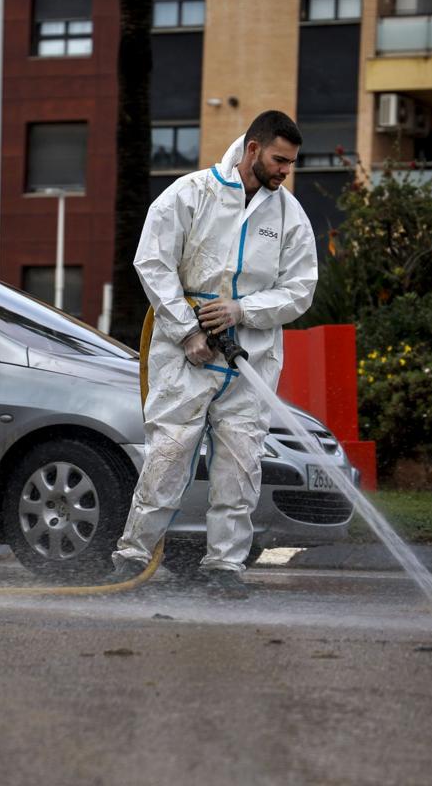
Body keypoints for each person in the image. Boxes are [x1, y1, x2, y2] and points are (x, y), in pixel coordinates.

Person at [111, 110, 318, 599]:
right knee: (168, 456)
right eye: (279, 159)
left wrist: (242, 310)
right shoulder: (191, 194)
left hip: (251, 360)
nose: (285, 170)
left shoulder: (289, 216)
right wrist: (187, 332)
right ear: (252, 149)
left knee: (241, 467)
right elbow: (153, 262)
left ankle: (225, 567)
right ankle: (132, 556)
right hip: (186, 354)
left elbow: (301, 288)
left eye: (291, 162)